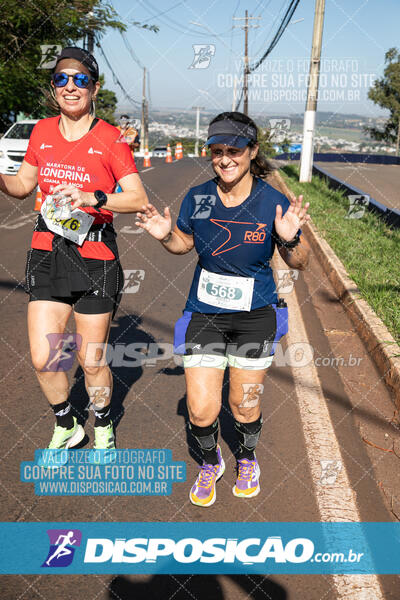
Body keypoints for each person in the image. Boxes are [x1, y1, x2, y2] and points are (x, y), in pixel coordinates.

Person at [136, 111, 310, 507]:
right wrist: (166, 236)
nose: (225, 158)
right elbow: (184, 245)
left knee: (243, 406)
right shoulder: (198, 197)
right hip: (204, 313)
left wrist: (291, 237)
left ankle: (247, 458)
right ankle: (210, 461)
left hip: (255, 316)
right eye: (217, 151)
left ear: (253, 151)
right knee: (200, 410)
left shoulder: (273, 201)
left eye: (234, 150)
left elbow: (301, 262)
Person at [0, 47, 148, 462]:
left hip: (96, 253)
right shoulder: (42, 132)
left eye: (80, 79)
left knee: (90, 358)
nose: (70, 86)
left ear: (94, 88)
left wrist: (91, 196)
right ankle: (67, 424)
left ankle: (102, 422)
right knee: (44, 356)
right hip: (47, 248)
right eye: (62, 79)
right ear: (53, 87)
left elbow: (136, 198)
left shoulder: (111, 139)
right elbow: (22, 185)